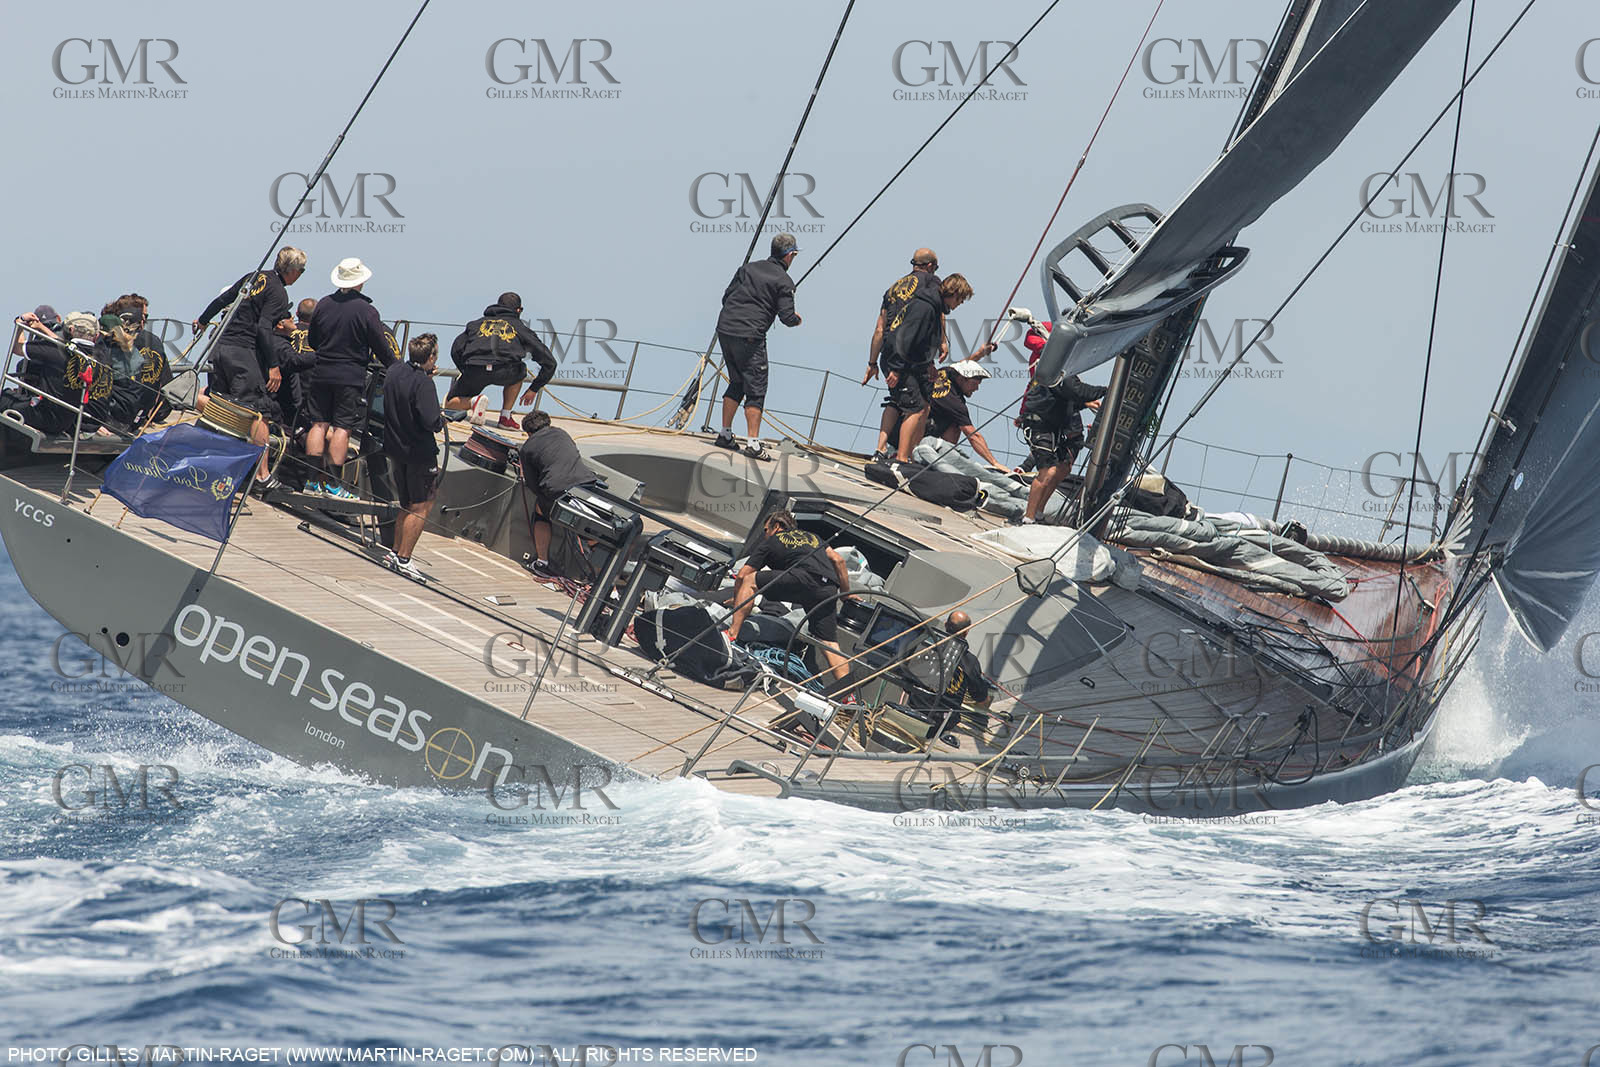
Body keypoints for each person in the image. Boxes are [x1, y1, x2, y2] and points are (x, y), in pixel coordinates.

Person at [723, 508, 854, 701]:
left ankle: (732, 635)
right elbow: (839, 560)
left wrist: (737, 601)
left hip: (801, 578)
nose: (765, 534)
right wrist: (845, 595)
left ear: (776, 527)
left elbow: (743, 575)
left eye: (766, 530)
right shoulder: (814, 537)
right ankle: (848, 696)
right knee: (828, 643)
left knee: (750, 581)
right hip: (827, 588)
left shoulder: (772, 541)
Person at [868, 272, 996, 467]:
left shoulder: (935, 308)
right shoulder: (925, 308)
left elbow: (923, 342)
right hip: (899, 361)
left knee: (925, 406)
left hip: (914, 363)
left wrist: (929, 365)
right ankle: (901, 459)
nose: (959, 304)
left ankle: (911, 455)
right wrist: (896, 369)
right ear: (953, 293)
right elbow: (904, 338)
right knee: (915, 408)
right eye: (960, 299)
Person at [304, 257, 399, 498]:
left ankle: (311, 481)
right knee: (342, 428)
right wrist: (397, 368)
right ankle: (333, 484)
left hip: (321, 372)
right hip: (349, 376)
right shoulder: (367, 311)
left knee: (318, 424)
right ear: (360, 281)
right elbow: (380, 346)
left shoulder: (323, 304)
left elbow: (313, 340)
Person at [713, 233, 802, 459]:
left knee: (737, 382)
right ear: (789, 255)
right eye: (794, 255)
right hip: (750, 337)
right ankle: (753, 444)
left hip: (725, 329)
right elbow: (787, 318)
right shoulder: (784, 282)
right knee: (756, 390)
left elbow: (726, 297)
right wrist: (797, 319)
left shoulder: (747, 268)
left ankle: (725, 434)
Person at [381, 333, 443, 581]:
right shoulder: (424, 384)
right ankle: (405, 558)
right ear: (431, 357)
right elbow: (431, 421)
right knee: (420, 506)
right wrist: (441, 420)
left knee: (406, 503)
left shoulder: (394, 371)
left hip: (396, 448)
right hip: (419, 453)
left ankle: (395, 552)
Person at [445, 292, 555, 429]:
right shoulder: (520, 328)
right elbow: (550, 362)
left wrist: (465, 369)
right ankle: (505, 417)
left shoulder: (476, 324)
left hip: (475, 370)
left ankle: (474, 401)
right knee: (521, 370)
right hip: (506, 372)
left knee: (449, 404)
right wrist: (534, 388)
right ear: (519, 310)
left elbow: (456, 349)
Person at [517, 410, 602, 579]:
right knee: (594, 532)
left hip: (558, 490)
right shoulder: (562, 434)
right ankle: (607, 581)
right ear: (547, 423)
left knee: (541, 511)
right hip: (587, 485)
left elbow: (533, 485)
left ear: (528, 432)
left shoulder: (527, 448)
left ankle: (542, 563)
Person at [1015, 369, 1107, 525]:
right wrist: (1107, 390)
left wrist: (1085, 404)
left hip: (1052, 428)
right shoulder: (1060, 372)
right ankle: (1028, 518)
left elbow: (1065, 398)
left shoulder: (1062, 376)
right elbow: (1077, 391)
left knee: (1062, 469)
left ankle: (1038, 513)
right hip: (1039, 426)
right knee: (1047, 471)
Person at [926, 359, 1008, 470]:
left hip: (916, 416)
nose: (976, 388)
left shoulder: (947, 371)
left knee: (955, 421)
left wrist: (981, 353)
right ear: (961, 379)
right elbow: (973, 435)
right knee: (958, 423)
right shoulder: (953, 401)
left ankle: (945, 454)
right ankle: (945, 456)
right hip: (921, 431)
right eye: (974, 384)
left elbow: (963, 363)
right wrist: (995, 463)